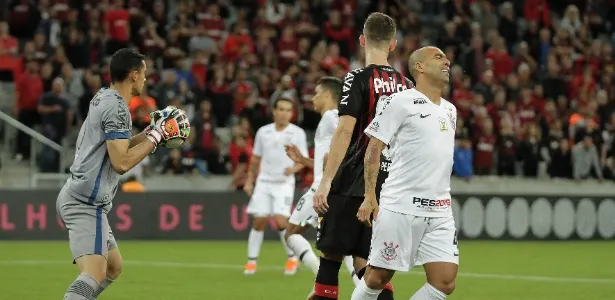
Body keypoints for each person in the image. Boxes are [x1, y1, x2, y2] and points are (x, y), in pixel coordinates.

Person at [56, 48, 189, 300]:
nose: (146, 79)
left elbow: (120, 146)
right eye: (144, 74)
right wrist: (157, 135)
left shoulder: (105, 96)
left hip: (82, 196)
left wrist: (152, 132)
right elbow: (121, 163)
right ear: (133, 75)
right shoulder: (118, 108)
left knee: (114, 267)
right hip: (85, 202)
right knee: (94, 274)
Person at [311, 12, 414, 300]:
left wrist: (325, 181)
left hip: (354, 181)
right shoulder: (407, 85)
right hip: (389, 188)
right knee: (370, 265)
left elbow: (345, 131)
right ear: (393, 45)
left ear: (361, 40)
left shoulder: (357, 77)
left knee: (331, 257)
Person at [351, 46, 459, 300]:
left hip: (440, 209)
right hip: (401, 205)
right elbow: (374, 148)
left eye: (446, 57)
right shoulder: (400, 101)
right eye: (439, 57)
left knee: (444, 282)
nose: (448, 61)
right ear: (419, 67)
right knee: (377, 277)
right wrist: (369, 195)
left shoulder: (450, 109)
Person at [284, 77, 360, 299]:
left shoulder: (331, 116)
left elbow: (351, 141)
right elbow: (330, 155)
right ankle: (364, 290)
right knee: (341, 246)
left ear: (328, 95)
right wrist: (303, 160)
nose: (313, 98)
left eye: (316, 93)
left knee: (291, 232)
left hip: (322, 189)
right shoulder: (330, 120)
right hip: (336, 188)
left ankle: (320, 279)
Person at [243, 98, 308, 275]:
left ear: (291, 113)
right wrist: (249, 180)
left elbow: (304, 160)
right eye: (281, 109)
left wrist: (293, 168)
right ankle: (251, 262)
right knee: (259, 221)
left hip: (284, 184)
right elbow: (256, 158)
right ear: (274, 111)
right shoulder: (263, 132)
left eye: (288, 110)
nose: (284, 113)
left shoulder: (297, 133)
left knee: (280, 220)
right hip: (264, 182)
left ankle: (292, 258)